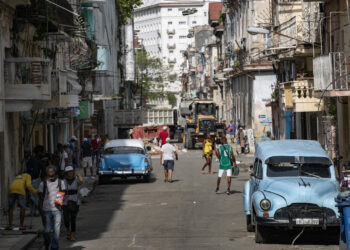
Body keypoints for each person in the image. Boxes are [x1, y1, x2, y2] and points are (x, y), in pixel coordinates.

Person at [39, 166, 66, 250]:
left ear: (55, 172)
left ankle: (54, 247)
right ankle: (47, 244)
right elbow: (40, 198)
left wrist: (58, 202)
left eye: (52, 172)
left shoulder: (60, 182)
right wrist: (41, 212)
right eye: (49, 172)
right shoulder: (43, 184)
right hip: (46, 210)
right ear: (47, 173)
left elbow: (62, 193)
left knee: (56, 231)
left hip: (57, 210)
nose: (51, 173)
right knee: (47, 230)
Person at [62, 166, 83, 241]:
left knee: (73, 219)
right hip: (65, 202)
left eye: (71, 171)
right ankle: (68, 229)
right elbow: (60, 191)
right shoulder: (63, 181)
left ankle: (73, 234)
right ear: (66, 173)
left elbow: (81, 181)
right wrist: (57, 202)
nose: (70, 173)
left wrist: (79, 175)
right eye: (68, 172)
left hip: (75, 202)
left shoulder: (76, 180)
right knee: (66, 219)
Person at [26, 146, 44, 216]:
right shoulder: (30, 159)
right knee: (31, 197)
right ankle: (33, 212)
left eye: (26, 153)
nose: (25, 154)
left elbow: (35, 171)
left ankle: (39, 210)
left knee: (33, 196)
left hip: (34, 179)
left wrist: (29, 175)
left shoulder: (33, 159)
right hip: (32, 179)